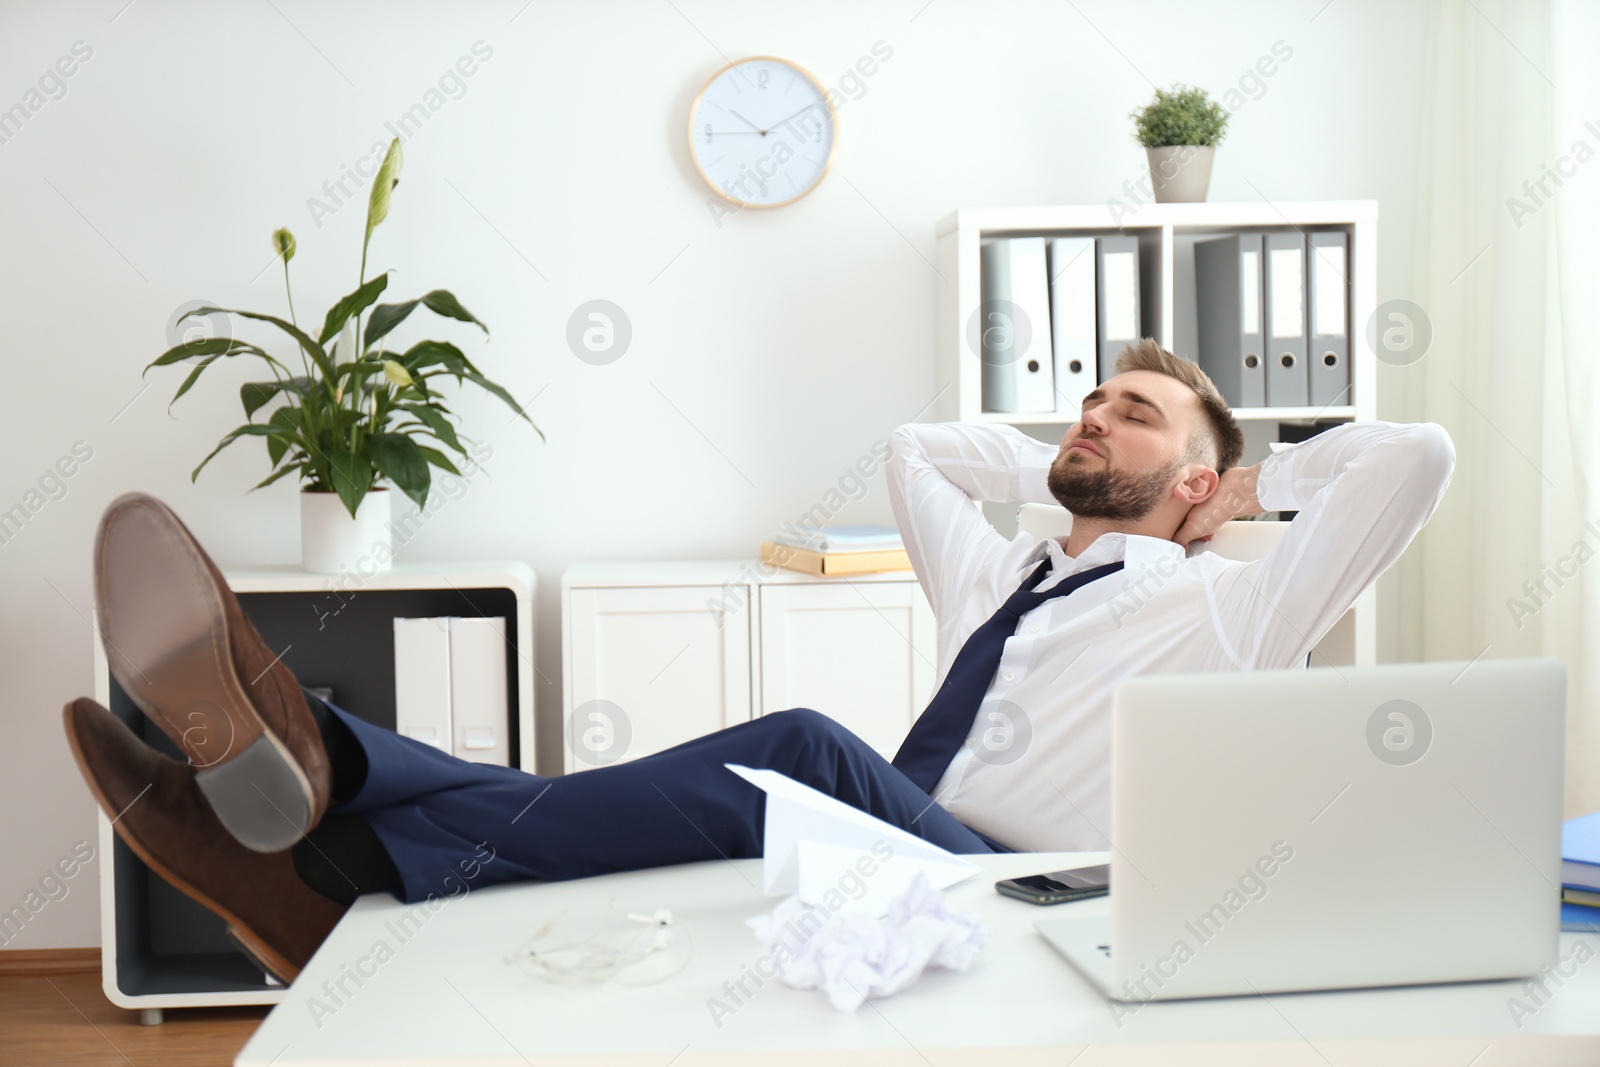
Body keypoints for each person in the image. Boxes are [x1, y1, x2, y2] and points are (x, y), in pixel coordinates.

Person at [62, 339, 1455, 983]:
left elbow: (1415, 461)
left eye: (1131, 413)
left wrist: (1242, 486)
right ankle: (317, 825)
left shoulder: (1232, 609)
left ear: (1205, 484)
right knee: (732, 777)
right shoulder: (1008, 574)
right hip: (929, 848)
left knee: (795, 747)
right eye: (1086, 401)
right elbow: (918, 454)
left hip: (1021, 897)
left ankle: (315, 770)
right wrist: (1068, 459)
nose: (1092, 418)